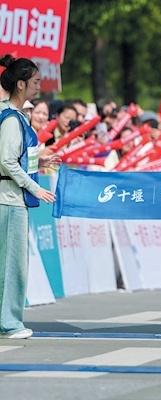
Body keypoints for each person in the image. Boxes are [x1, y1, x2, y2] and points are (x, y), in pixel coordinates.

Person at [0, 55, 60, 339]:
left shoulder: (14, 116)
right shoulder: (12, 119)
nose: (39, 86)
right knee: (13, 266)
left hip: (11, 199)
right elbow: (7, 162)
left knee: (8, 265)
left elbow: (15, 158)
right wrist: (35, 188)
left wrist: (40, 163)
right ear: (21, 84)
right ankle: (9, 323)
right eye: (35, 81)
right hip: (10, 200)